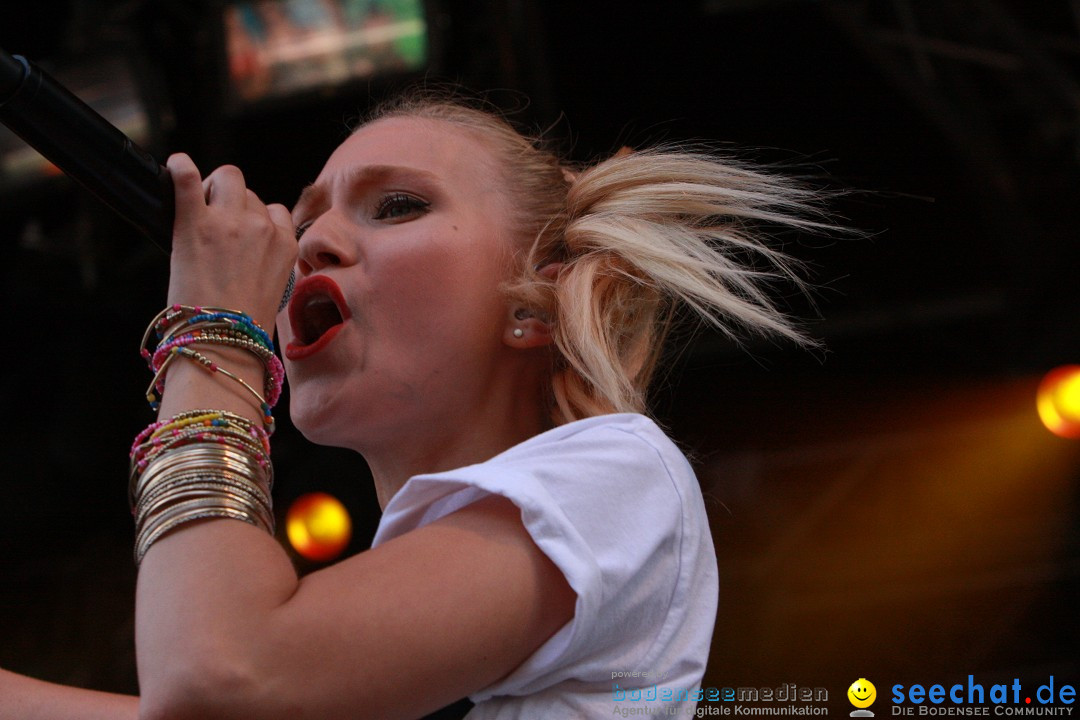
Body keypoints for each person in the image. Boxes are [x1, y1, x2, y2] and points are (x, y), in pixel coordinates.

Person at [0, 89, 828, 719]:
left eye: (397, 205)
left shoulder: (623, 475)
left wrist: (212, 336)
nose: (309, 242)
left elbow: (216, 678)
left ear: (533, 305)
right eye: (308, 215)